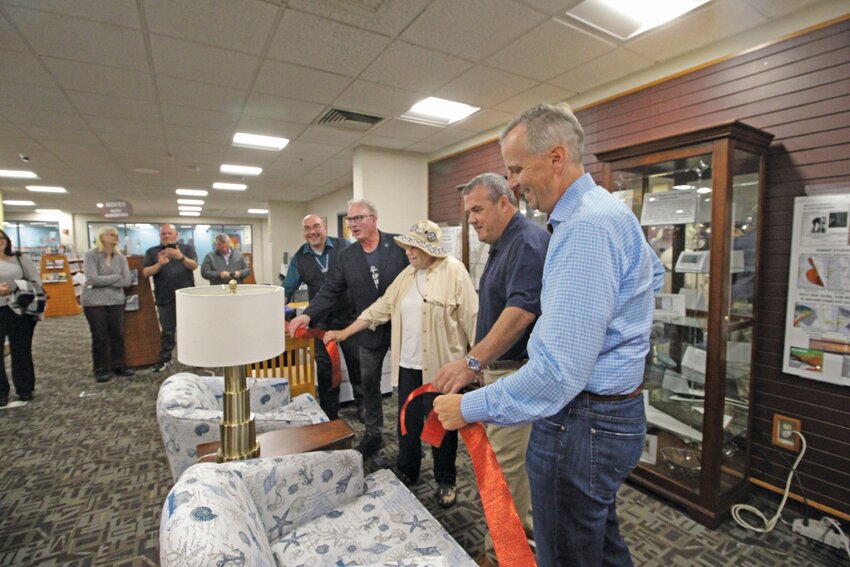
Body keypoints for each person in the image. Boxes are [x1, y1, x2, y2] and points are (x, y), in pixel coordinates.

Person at [434, 103, 665, 567]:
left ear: (556, 158)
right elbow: (653, 277)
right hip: (609, 416)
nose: (514, 182)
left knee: (568, 554)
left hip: (583, 423)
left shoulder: (583, 229)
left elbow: (560, 372)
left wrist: (467, 406)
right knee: (598, 545)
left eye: (517, 168)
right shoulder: (605, 210)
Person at [433, 172, 549, 566]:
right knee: (508, 473)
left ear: (505, 202)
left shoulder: (528, 242)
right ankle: (519, 549)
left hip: (515, 375)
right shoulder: (503, 244)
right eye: (468, 213)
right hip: (499, 372)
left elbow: (519, 313)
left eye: (478, 210)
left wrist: (472, 362)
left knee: (504, 475)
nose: (472, 220)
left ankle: (504, 556)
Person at [325, 220, 477, 508]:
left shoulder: (454, 272)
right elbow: (380, 309)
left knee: (442, 426)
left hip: (442, 368)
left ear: (429, 247)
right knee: (407, 423)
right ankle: (408, 470)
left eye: (414, 246)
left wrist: (476, 364)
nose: (408, 252)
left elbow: (473, 319)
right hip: (408, 366)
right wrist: (345, 332)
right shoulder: (406, 276)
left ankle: (446, 479)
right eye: (407, 246)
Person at [289, 199, 408, 457]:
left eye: (359, 218)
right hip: (366, 328)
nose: (353, 224)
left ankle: (409, 438)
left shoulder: (398, 245)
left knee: (407, 385)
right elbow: (330, 289)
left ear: (374, 219)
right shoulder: (347, 256)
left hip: (401, 329)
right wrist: (307, 316)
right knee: (369, 384)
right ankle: (374, 434)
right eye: (350, 220)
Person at [283, 214, 363, 421]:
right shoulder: (300, 257)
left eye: (316, 226)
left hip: (349, 318)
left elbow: (360, 275)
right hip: (320, 322)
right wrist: (272, 308)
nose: (312, 232)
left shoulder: (344, 246)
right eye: (307, 228)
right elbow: (288, 288)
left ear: (324, 227)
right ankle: (329, 412)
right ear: (304, 232)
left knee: (356, 363)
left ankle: (363, 406)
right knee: (326, 368)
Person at [142, 223, 198, 372]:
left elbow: (194, 265)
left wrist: (181, 257)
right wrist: (159, 264)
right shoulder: (152, 251)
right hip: (164, 296)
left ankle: (195, 357)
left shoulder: (186, 249)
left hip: (187, 298)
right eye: (163, 234)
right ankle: (165, 359)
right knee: (167, 330)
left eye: (169, 233)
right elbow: (146, 272)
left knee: (191, 328)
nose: (166, 236)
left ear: (176, 235)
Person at [81, 226, 133, 383]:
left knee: (117, 334)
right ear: (102, 237)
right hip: (94, 302)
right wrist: (115, 277)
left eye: (117, 235)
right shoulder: (91, 255)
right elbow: (91, 278)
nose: (116, 237)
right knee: (99, 336)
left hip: (116, 301)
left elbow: (127, 281)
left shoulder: (120, 257)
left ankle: (119, 364)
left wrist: (106, 279)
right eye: (112, 234)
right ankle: (100, 368)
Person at [0, 229, 39, 406]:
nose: (0, 241)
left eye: (2, 238)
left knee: (21, 350)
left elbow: (35, 280)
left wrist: (16, 288)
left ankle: (24, 388)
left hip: (19, 309)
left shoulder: (20, 258)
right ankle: (1, 392)